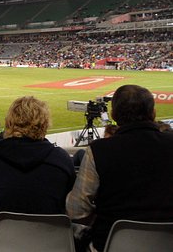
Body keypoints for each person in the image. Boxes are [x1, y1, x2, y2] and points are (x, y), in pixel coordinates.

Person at [66, 85, 173, 252]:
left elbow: (76, 210)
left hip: (110, 244)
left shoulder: (99, 150)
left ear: (114, 115)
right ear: (153, 113)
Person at [0, 96, 76, 252]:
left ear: (10, 122)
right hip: (49, 245)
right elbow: (67, 204)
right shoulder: (61, 160)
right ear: (44, 123)